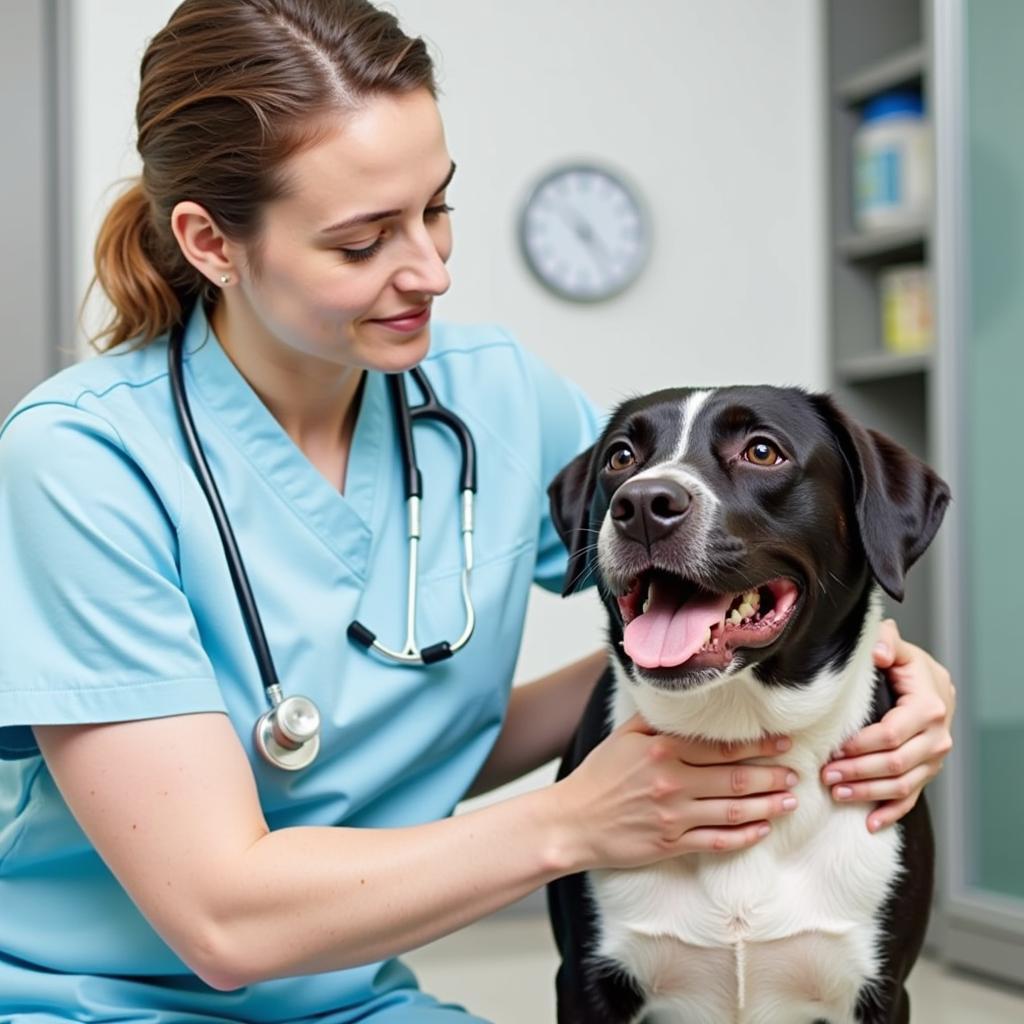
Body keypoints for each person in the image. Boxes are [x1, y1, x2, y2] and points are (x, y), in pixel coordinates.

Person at [0, 2, 955, 1021]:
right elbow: (223, 922)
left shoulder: (492, 396)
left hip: (350, 997)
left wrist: (862, 664)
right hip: (90, 999)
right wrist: (574, 821)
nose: (428, 270)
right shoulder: (82, 459)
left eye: (436, 209)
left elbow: (705, 576)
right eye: (363, 239)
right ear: (210, 241)